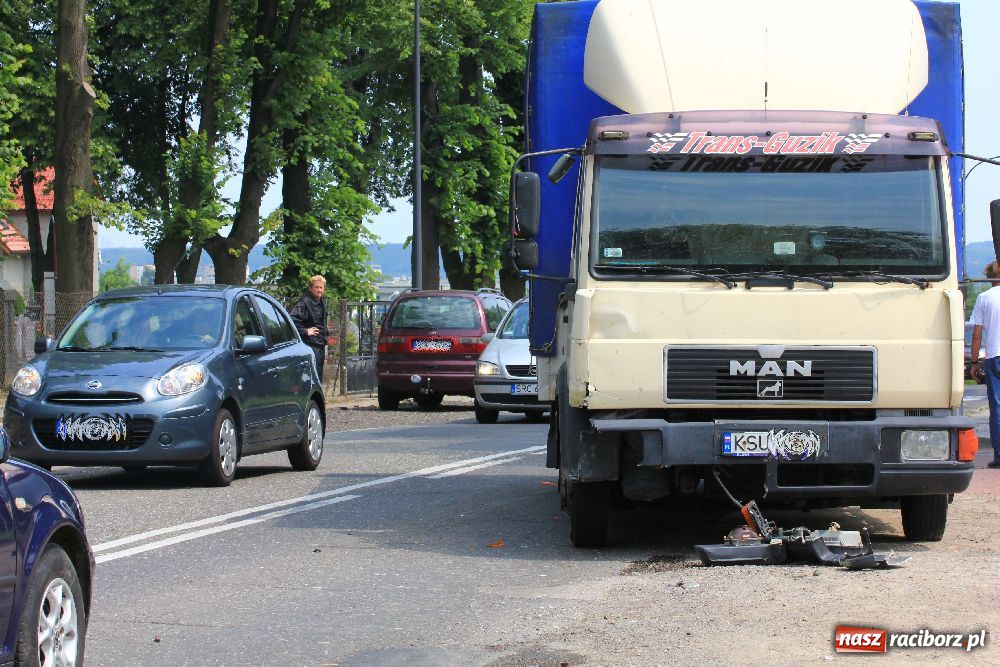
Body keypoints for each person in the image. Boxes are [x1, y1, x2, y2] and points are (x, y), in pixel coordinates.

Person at [969, 260, 1000, 469]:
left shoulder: (984, 298)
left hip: (994, 356)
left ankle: (999, 456)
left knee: (996, 407)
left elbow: (977, 334)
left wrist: (974, 362)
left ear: (988, 277)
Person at [290, 275, 329, 382]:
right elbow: (292, 320)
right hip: (310, 346)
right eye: (316, 287)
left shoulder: (321, 302)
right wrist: (305, 331)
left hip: (319, 345)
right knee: (310, 378)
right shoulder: (304, 303)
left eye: (321, 287)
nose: (319, 290)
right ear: (310, 288)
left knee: (318, 377)